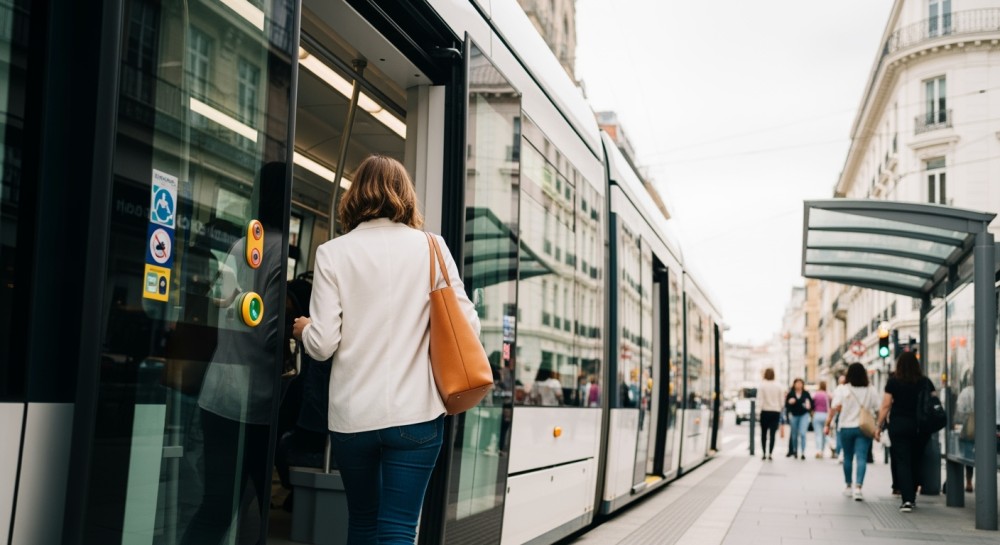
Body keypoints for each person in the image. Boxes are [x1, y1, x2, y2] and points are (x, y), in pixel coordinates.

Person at [292, 155, 481, 544]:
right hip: (417, 415)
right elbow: (468, 327)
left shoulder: (332, 253)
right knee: (398, 527)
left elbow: (323, 346)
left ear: (355, 196)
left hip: (352, 419)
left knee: (362, 521)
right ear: (405, 195)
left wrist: (305, 330)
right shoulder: (432, 247)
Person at [183, 162, 288, 544]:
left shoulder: (242, 245)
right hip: (253, 400)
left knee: (218, 505)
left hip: (217, 393)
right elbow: (269, 334)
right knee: (261, 510)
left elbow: (220, 307)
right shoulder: (279, 251)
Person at [875, 351, 937, 512]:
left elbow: (886, 405)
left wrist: (879, 426)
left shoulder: (893, 382)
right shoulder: (925, 381)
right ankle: (912, 493)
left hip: (899, 425)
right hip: (920, 427)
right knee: (916, 460)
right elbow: (934, 400)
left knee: (903, 461)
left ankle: (907, 499)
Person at [825, 362, 879, 501]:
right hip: (864, 428)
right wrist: (878, 427)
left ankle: (848, 486)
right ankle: (858, 488)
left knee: (847, 457)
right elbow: (878, 409)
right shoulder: (871, 390)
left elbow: (834, 408)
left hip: (846, 427)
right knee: (861, 457)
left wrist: (827, 424)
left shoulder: (842, 389)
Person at [757, 367, 784, 460]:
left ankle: (764, 453)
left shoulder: (762, 385)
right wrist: (779, 408)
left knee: (763, 433)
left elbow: (760, 400)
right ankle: (770, 453)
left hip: (765, 411)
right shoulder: (779, 386)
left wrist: (758, 412)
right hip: (775, 412)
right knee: (773, 434)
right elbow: (782, 402)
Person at [785, 378, 813, 460]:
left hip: (804, 415)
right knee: (794, 434)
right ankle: (795, 450)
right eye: (797, 383)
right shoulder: (791, 393)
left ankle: (803, 452)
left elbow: (811, 404)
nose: (799, 385)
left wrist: (809, 405)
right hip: (794, 415)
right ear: (794, 384)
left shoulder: (806, 393)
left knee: (803, 433)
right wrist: (790, 402)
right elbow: (786, 405)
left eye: (800, 383)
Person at [811, 381, 830, 458]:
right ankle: (822, 450)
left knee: (818, 434)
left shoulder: (815, 394)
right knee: (824, 434)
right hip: (825, 415)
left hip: (817, 415)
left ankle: (818, 450)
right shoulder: (827, 395)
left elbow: (812, 405)